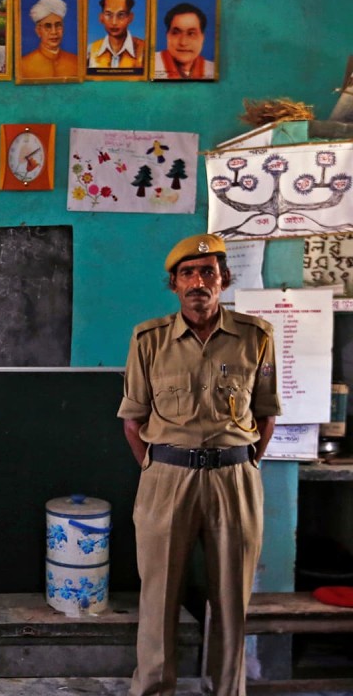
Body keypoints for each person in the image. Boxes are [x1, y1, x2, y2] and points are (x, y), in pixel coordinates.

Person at [118, 234, 278, 696]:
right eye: (187, 273)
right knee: (159, 597)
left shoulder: (256, 337)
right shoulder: (148, 339)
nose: (198, 282)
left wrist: (241, 464)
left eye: (208, 272)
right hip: (167, 477)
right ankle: (153, 689)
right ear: (174, 285)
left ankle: (227, 690)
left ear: (224, 279)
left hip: (235, 478)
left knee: (231, 599)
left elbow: (265, 416)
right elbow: (133, 421)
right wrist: (156, 467)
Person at [19, 0, 78, 79]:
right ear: (38, 31)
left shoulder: (76, 61)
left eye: (58, 25)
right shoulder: (23, 64)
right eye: (48, 26)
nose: (54, 32)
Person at [154, 2, 214, 79]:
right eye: (176, 33)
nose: (183, 42)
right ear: (167, 35)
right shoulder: (150, 64)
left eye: (191, 34)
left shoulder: (212, 70)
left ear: (202, 37)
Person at [88, 0, 145, 71]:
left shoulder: (144, 50)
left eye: (121, 14)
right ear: (101, 18)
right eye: (108, 14)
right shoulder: (91, 50)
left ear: (130, 18)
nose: (114, 22)